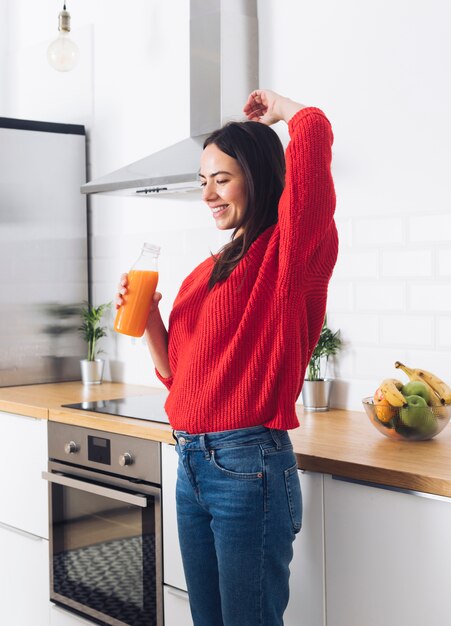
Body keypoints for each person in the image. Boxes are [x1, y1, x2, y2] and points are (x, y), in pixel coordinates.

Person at [115, 89, 338, 626]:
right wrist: (150, 324)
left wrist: (283, 110)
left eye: (222, 179)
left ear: (256, 178)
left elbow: (312, 141)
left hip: (247, 464)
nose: (209, 194)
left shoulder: (287, 252)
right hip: (192, 460)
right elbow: (182, 380)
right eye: (202, 181)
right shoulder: (207, 271)